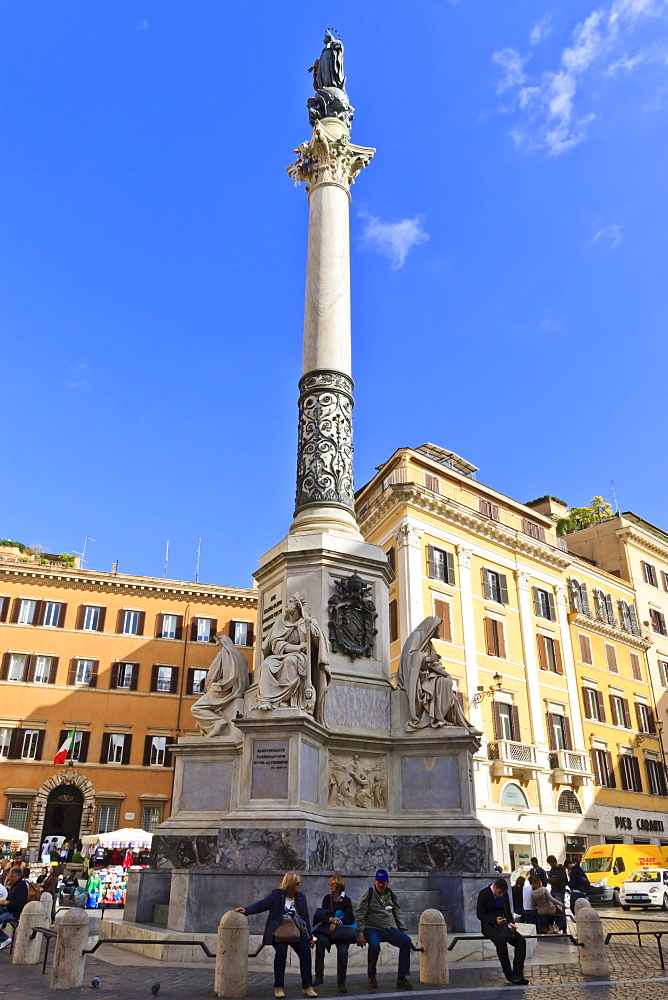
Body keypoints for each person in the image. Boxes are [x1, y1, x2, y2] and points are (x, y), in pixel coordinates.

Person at [234, 872, 317, 999]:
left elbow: (305, 917)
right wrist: (246, 910)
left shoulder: (300, 897)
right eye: (297, 883)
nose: (299, 885)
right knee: (281, 953)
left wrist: (310, 937)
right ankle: (279, 987)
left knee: (305, 952)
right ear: (290, 884)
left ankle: (307, 987)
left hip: (297, 932)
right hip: (279, 932)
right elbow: (262, 904)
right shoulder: (276, 894)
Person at [355, 869, 414, 990]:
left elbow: (397, 913)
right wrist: (360, 933)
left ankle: (402, 977)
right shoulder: (369, 893)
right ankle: (371, 976)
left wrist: (403, 931)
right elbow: (360, 914)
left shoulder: (391, 894)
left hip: (388, 929)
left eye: (383, 882)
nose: (381, 885)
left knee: (406, 941)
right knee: (375, 946)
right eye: (379, 882)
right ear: (375, 881)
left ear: (387, 882)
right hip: (372, 929)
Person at [477, 878, 528, 985]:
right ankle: (509, 974)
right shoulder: (484, 894)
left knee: (521, 941)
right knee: (501, 942)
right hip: (489, 927)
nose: (501, 895)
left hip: (504, 925)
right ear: (495, 887)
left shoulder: (504, 894)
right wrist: (494, 920)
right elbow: (480, 914)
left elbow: (508, 911)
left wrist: (511, 925)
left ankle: (518, 973)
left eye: (502, 893)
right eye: (499, 892)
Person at [312, 874, 355, 993]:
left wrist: (337, 922)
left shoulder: (346, 900)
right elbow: (323, 915)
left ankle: (341, 983)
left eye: (332, 884)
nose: (330, 886)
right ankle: (319, 976)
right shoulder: (327, 898)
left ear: (339, 886)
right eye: (329, 884)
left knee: (343, 951)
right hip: (328, 930)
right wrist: (331, 920)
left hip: (341, 932)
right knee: (319, 945)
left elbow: (350, 918)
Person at [0, 867, 28, 950]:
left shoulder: (21, 886)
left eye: (12, 876)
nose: (10, 878)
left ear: (18, 876)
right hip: (8, 908)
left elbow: (19, 903)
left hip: (14, 912)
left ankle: (4, 939)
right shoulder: (16, 885)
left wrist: (5, 902)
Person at [546, 856, 568, 932]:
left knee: (560, 908)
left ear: (553, 862)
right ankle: (557, 925)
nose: (550, 865)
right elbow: (548, 879)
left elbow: (558, 880)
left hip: (559, 891)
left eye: (550, 863)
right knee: (553, 908)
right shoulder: (552, 869)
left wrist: (551, 880)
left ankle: (563, 926)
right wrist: (552, 880)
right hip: (554, 890)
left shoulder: (561, 870)